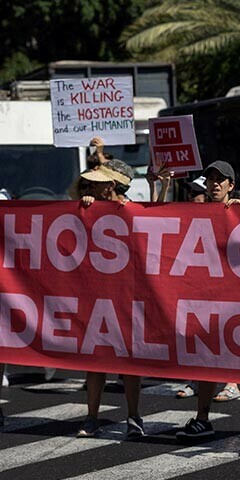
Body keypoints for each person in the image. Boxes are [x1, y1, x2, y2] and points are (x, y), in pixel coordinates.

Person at [175, 160, 240, 444]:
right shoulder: (197, 213)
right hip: (208, 298)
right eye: (210, 179)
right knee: (206, 358)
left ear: (231, 185)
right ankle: (203, 419)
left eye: (220, 179)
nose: (214, 184)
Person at [74, 159, 145, 439]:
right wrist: (85, 199)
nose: (91, 186)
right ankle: (92, 417)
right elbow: (72, 195)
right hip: (97, 295)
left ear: (111, 187)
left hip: (128, 296)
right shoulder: (89, 205)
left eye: (97, 182)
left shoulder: (134, 210)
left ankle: (133, 416)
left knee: (129, 363)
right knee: (96, 362)